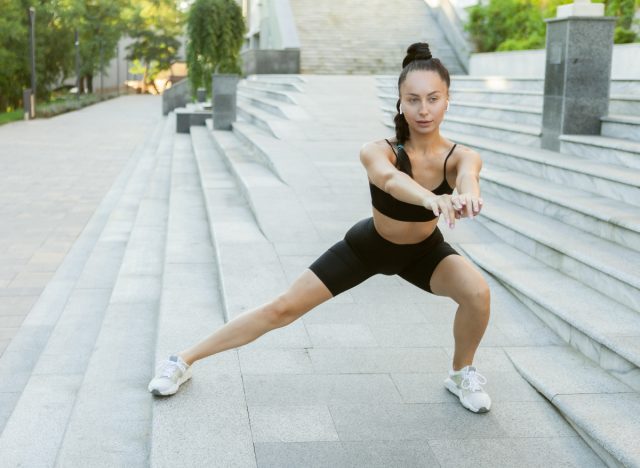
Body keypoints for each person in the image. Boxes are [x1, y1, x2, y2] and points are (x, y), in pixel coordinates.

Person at [148, 42, 492, 413]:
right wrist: (430, 199)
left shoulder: (463, 155)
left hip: (424, 253)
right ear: (400, 102)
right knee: (282, 309)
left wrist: (467, 197)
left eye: (433, 98)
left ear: (447, 100)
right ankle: (182, 360)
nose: (423, 110)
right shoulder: (378, 149)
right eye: (413, 100)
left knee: (477, 293)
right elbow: (390, 181)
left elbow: (468, 179)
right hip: (369, 246)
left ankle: (461, 372)